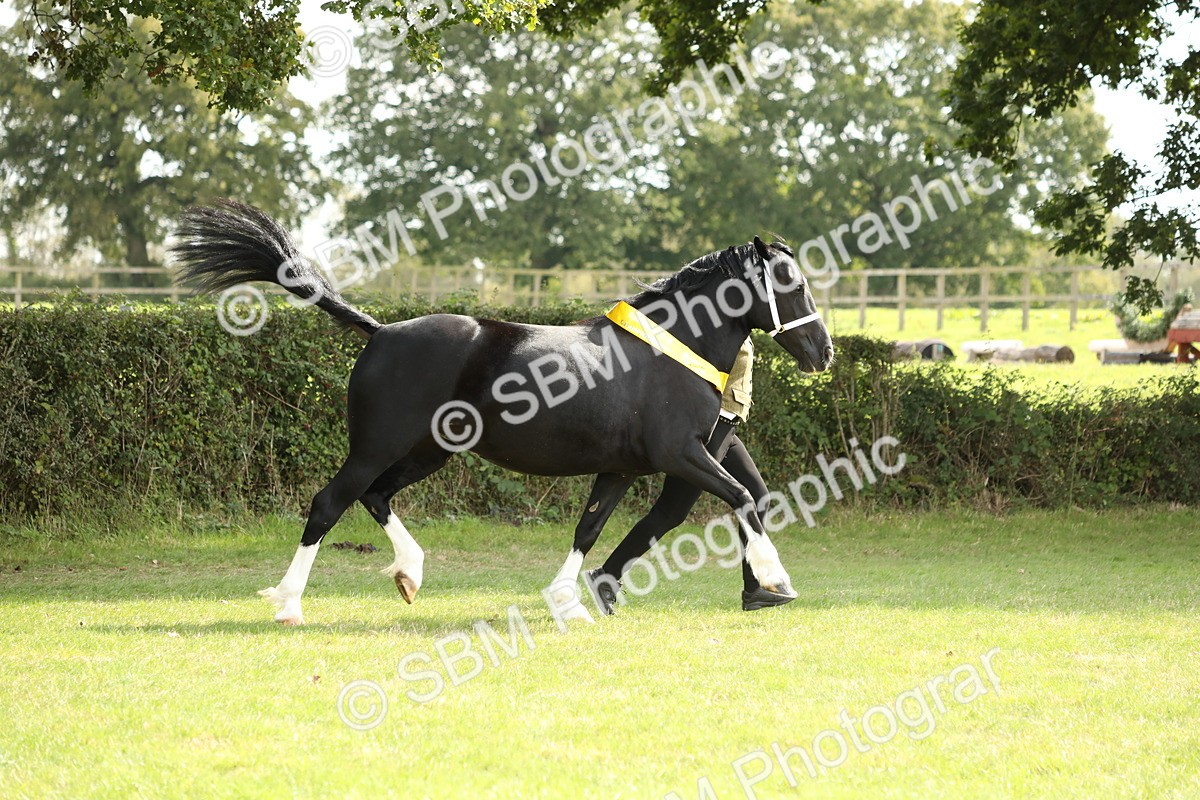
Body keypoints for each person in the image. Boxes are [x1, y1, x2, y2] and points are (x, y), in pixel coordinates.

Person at [585, 337, 795, 613]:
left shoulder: (737, 322)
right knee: (670, 512)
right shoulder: (716, 323)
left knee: (758, 497)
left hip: (727, 427)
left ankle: (755, 587)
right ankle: (607, 576)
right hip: (712, 427)